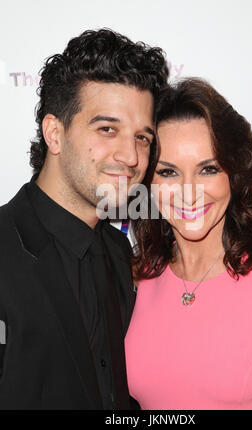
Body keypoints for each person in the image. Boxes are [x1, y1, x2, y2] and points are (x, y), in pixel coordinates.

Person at [0, 28, 168, 410]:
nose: (131, 156)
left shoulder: (117, 249)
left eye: (142, 137)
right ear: (55, 134)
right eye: (107, 129)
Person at [125, 78, 252, 410]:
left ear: (234, 174)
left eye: (208, 169)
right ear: (146, 182)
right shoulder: (135, 276)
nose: (189, 192)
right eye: (168, 172)